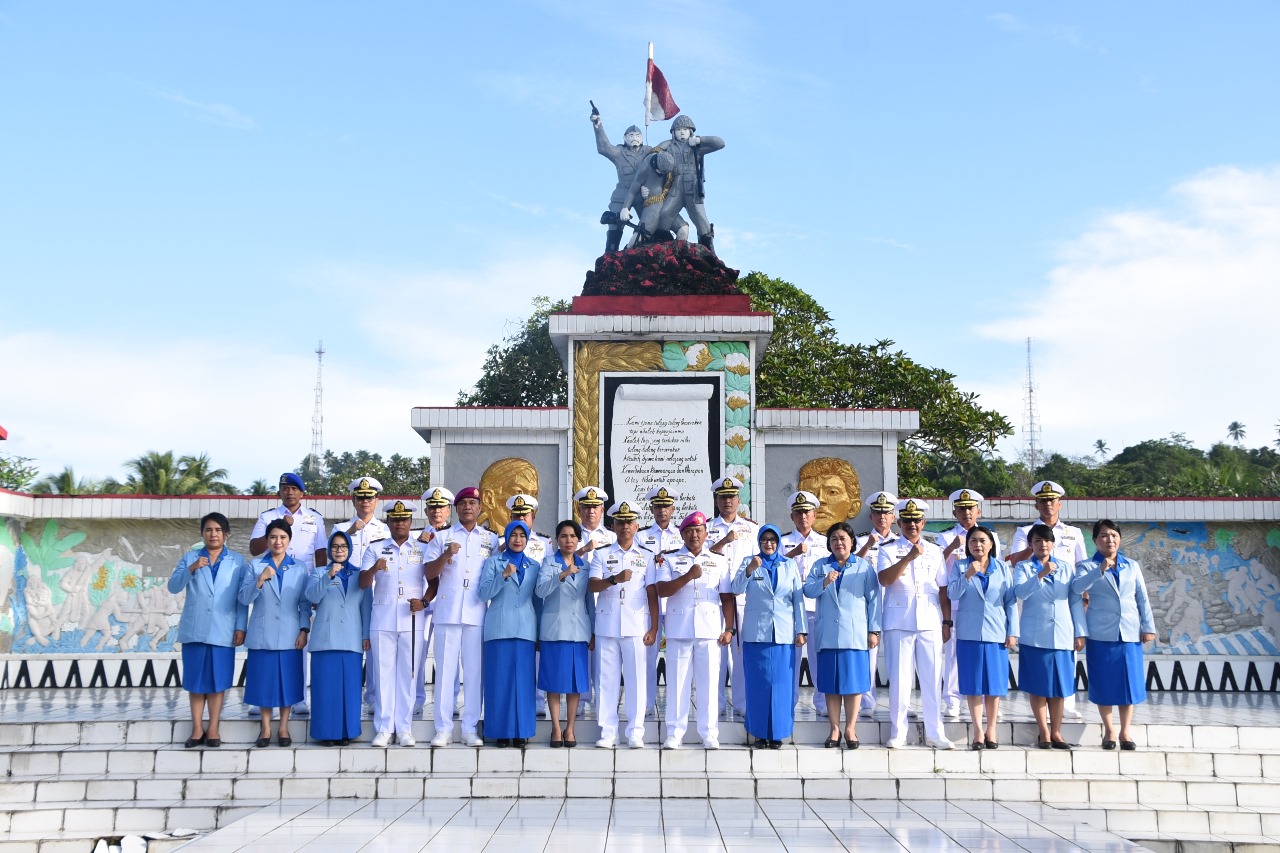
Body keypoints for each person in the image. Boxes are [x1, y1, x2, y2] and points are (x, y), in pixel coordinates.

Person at [1007, 480, 1089, 721]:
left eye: (1052, 500)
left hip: (1065, 600)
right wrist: (1037, 544)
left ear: (1060, 504)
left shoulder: (1072, 533)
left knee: (1067, 658)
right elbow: (1014, 561)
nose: (1048, 505)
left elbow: (1081, 565)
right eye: (1043, 501)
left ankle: (1068, 704)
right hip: (1037, 601)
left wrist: (1084, 599)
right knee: (1040, 665)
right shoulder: (1024, 532)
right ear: (1036, 504)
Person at [876, 499, 954, 750]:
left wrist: (946, 621)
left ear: (923, 523)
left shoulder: (934, 550)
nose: (911, 525)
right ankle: (898, 732)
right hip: (898, 621)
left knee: (932, 679)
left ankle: (935, 732)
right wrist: (908, 557)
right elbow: (885, 579)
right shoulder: (888, 549)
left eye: (916, 520)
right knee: (899, 680)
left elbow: (943, 589)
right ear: (898, 523)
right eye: (906, 521)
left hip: (930, 619)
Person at [1072, 520, 1156, 751]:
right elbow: (1077, 589)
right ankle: (1109, 730)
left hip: (1129, 632)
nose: (1109, 540)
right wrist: (1100, 571)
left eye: (1113, 535)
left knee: (1129, 682)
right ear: (1095, 541)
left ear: (1119, 538)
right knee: (1104, 682)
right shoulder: (1087, 566)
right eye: (1103, 536)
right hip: (1101, 632)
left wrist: (1148, 626)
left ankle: (1126, 730)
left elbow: (1141, 597)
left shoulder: (1132, 565)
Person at [248, 473, 327, 717]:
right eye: (285, 488)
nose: (290, 492)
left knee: (298, 641)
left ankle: (298, 697)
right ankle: (261, 698)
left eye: (294, 489)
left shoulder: (315, 518)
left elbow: (321, 553)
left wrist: (318, 589)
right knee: (266, 642)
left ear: (302, 493)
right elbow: (254, 548)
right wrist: (281, 525)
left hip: (300, 581)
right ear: (280, 492)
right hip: (271, 581)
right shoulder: (268, 517)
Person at [168, 512, 249, 748]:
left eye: (218, 530)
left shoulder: (237, 561)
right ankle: (196, 729)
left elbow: (241, 599)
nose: (213, 534)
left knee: (218, 681)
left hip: (223, 629)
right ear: (202, 533)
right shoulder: (190, 557)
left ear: (226, 534)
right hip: (195, 629)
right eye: (208, 530)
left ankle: (213, 728)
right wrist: (191, 568)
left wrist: (240, 627)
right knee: (195, 681)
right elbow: (173, 586)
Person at [424, 487, 496, 747]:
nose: (468, 507)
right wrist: (446, 555)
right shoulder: (441, 536)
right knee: (445, 673)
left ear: (479, 508)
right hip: (447, 612)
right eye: (463, 503)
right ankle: (442, 729)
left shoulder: (491, 539)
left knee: (475, 673)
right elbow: (429, 573)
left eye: (473, 503)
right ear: (456, 508)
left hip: (477, 613)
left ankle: (469, 728)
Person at [656, 511, 733, 750]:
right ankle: (674, 732)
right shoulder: (668, 559)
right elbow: (662, 590)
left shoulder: (719, 561)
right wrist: (688, 576)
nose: (694, 535)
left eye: (698, 530)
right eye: (689, 531)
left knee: (709, 683)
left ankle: (709, 732)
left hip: (710, 631)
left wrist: (729, 627)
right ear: (681, 534)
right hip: (679, 630)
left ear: (706, 533)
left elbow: (727, 597)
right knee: (677, 683)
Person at [803, 521, 881, 749]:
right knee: (831, 684)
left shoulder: (864, 567)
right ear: (829, 543)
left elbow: (874, 600)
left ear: (852, 542)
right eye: (834, 539)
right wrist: (824, 582)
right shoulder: (820, 565)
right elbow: (808, 590)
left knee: (853, 683)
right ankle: (834, 729)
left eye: (843, 539)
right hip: (828, 633)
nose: (839, 543)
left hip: (855, 634)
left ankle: (851, 728)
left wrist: (874, 630)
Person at [588, 500, 660, 749]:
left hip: (636, 626)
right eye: (620, 522)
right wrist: (613, 579)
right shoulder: (601, 553)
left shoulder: (647, 556)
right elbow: (592, 585)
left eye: (629, 522)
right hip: (607, 625)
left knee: (636, 680)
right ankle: (608, 732)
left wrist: (653, 627)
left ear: (637, 526)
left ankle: (635, 732)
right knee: (606, 680)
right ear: (613, 525)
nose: (625, 526)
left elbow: (652, 592)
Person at [359, 500, 428, 748]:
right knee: (383, 675)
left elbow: (433, 578)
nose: (400, 523)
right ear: (388, 522)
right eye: (395, 519)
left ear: (411, 522)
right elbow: (363, 583)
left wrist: (425, 602)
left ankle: (405, 728)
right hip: (383, 618)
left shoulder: (422, 547)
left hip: (411, 619)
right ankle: (384, 728)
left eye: (405, 519)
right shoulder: (375, 548)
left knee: (408, 675)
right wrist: (374, 569)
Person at [732, 525, 806, 748]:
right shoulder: (749, 561)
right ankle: (759, 733)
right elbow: (735, 589)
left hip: (783, 633)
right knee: (758, 685)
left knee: (781, 685)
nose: (769, 543)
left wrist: (801, 629)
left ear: (778, 542)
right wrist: (749, 570)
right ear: (758, 541)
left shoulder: (789, 564)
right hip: (757, 633)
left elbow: (797, 599)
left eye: (773, 539)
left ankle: (777, 733)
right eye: (764, 539)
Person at [239, 519, 312, 748]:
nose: (277, 541)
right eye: (272, 537)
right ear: (267, 540)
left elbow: (304, 603)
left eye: (282, 537)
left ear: (289, 540)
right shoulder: (255, 566)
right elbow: (243, 598)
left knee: (287, 681)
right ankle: (266, 727)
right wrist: (259, 581)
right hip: (263, 633)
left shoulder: (299, 567)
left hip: (291, 633)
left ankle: (283, 727)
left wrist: (303, 629)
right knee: (263, 680)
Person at [1015, 523, 1087, 750]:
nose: (1042, 545)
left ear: (1053, 544)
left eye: (1046, 541)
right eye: (1037, 541)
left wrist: (1080, 631)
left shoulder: (1066, 567)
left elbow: (1075, 600)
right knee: (1038, 686)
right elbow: (1019, 593)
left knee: (1059, 687)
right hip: (1035, 634)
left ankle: (1057, 731)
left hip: (1062, 635)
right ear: (1031, 545)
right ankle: (1043, 732)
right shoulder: (1024, 568)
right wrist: (1040, 575)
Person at [947, 525, 1018, 750]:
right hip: (969, 632)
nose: (978, 545)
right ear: (967, 545)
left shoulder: (1002, 568)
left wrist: (1012, 631)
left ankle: (992, 729)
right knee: (973, 684)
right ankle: (978, 731)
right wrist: (968, 575)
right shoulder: (960, 566)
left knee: (994, 684)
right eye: (973, 541)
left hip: (996, 632)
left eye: (982, 540)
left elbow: (1010, 600)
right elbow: (951, 594)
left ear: (991, 544)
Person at [936, 489, 1002, 721]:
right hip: (956, 604)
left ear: (978, 511)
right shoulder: (945, 537)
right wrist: (952, 546)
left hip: (985, 607)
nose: (966, 513)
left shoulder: (989, 536)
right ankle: (952, 700)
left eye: (970, 508)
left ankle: (989, 703)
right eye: (961, 509)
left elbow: (998, 570)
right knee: (954, 655)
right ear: (954, 511)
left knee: (986, 658)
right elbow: (937, 567)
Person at [477, 519, 540, 747]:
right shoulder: (494, 562)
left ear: (527, 539)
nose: (517, 540)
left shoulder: (534, 566)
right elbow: (483, 594)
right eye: (513, 535)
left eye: (522, 536)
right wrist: (502, 575)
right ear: (506, 537)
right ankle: (500, 731)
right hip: (499, 629)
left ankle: (522, 730)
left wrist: (539, 633)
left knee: (523, 682)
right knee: (499, 682)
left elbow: (537, 601)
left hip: (525, 629)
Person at [307, 530, 371, 746]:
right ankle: (327, 733)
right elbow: (312, 597)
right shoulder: (319, 573)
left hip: (351, 640)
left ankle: (347, 732)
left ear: (350, 549)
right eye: (335, 546)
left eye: (343, 546)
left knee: (350, 689)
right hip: (325, 640)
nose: (339, 550)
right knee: (325, 689)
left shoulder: (360, 575)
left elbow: (366, 608)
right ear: (329, 550)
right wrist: (328, 576)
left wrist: (365, 635)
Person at [333, 477, 391, 713]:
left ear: (376, 501)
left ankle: (374, 697)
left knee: (376, 649)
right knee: (348, 645)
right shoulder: (341, 528)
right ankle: (349, 697)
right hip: (347, 595)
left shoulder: (385, 530)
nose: (365, 501)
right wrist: (350, 531)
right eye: (361, 497)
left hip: (377, 594)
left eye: (370, 497)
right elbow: (333, 551)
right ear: (353, 500)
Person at [536, 520, 595, 748]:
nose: (568, 540)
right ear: (557, 540)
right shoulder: (549, 563)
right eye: (563, 536)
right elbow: (540, 590)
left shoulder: (586, 566)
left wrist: (593, 631)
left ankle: (570, 728)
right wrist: (561, 574)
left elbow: (589, 601)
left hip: (579, 630)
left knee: (574, 683)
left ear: (578, 539)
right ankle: (556, 728)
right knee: (553, 682)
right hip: (555, 630)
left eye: (572, 536)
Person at [707, 475, 758, 719]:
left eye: (731, 497)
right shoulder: (705, 528)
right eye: (723, 497)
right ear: (717, 500)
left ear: (739, 500)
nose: (727, 501)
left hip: (741, 598)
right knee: (714, 652)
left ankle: (741, 702)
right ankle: (715, 703)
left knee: (740, 653)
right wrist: (723, 540)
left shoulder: (752, 529)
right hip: (712, 597)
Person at [781, 490, 828, 716]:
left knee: (819, 657)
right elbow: (775, 567)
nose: (803, 517)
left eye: (807, 512)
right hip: (790, 608)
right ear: (792, 516)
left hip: (817, 607)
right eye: (798, 512)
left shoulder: (825, 542)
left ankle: (822, 702)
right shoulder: (783, 542)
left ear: (815, 515)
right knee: (791, 659)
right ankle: (789, 702)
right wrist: (793, 552)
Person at [854, 491, 899, 717]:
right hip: (868, 604)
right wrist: (868, 545)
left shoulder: (901, 543)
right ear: (871, 516)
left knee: (897, 656)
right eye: (878, 513)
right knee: (868, 656)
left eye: (887, 513)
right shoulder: (862, 540)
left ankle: (901, 701)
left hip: (894, 604)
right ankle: (866, 701)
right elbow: (851, 568)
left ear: (893, 517)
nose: (882, 517)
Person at [651, 114, 725, 252]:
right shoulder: (669, 147)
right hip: (676, 186)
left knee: (700, 218)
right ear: (673, 132)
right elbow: (653, 154)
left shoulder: (697, 147)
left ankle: (709, 251)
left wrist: (699, 140)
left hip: (693, 187)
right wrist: (664, 145)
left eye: (685, 129)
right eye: (678, 129)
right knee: (665, 213)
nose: (682, 132)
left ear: (691, 131)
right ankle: (662, 248)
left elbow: (720, 143)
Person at [639, 485, 682, 720]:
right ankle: (646, 703)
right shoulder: (641, 536)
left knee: (677, 655)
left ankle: (678, 703)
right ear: (652, 509)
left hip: (675, 603)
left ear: (673, 509)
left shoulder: (682, 535)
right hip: (649, 604)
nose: (662, 510)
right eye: (658, 506)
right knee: (648, 655)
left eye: (666, 506)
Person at [574, 485, 616, 717]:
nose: (591, 512)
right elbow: (560, 560)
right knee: (580, 652)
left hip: (604, 600)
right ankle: (579, 700)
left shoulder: (611, 537)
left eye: (595, 507)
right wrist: (584, 549)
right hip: (577, 601)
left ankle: (603, 702)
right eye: (586, 507)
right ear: (579, 509)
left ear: (602, 510)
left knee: (603, 655)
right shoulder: (571, 534)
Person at [415, 487, 455, 717]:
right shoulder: (416, 538)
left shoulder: (455, 537)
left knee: (448, 655)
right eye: (432, 507)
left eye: (441, 507)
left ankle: (449, 701)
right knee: (418, 654)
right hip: (421, 603)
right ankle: (418, 700)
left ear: (448, 510)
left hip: (447, 604)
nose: (436, 511)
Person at [592, 114, 651, 254]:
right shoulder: (619, 152)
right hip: (623, 192)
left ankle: (645, 248)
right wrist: (598, 126)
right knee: (614, 223)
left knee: (650, 222)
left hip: (643, 193)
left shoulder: (649, 151)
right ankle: (610, 253)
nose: (634, 138)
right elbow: (604, 148)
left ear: (642, 138)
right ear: (624, 138)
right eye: (630, 135)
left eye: (637, 135)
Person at [619, 150, 689, 243]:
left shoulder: (670, 166)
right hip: (652, 207)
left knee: (683, 229)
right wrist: (625, 208)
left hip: (667, 206)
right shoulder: (645, 168)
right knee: (639, 239)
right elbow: (633, 190)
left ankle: (678, 255)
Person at [798, 457, 863, 534]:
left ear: (853, 508)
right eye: (811, 493)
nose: (819, 500)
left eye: (832, 492)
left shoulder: (861, 543)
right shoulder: (786, 542)